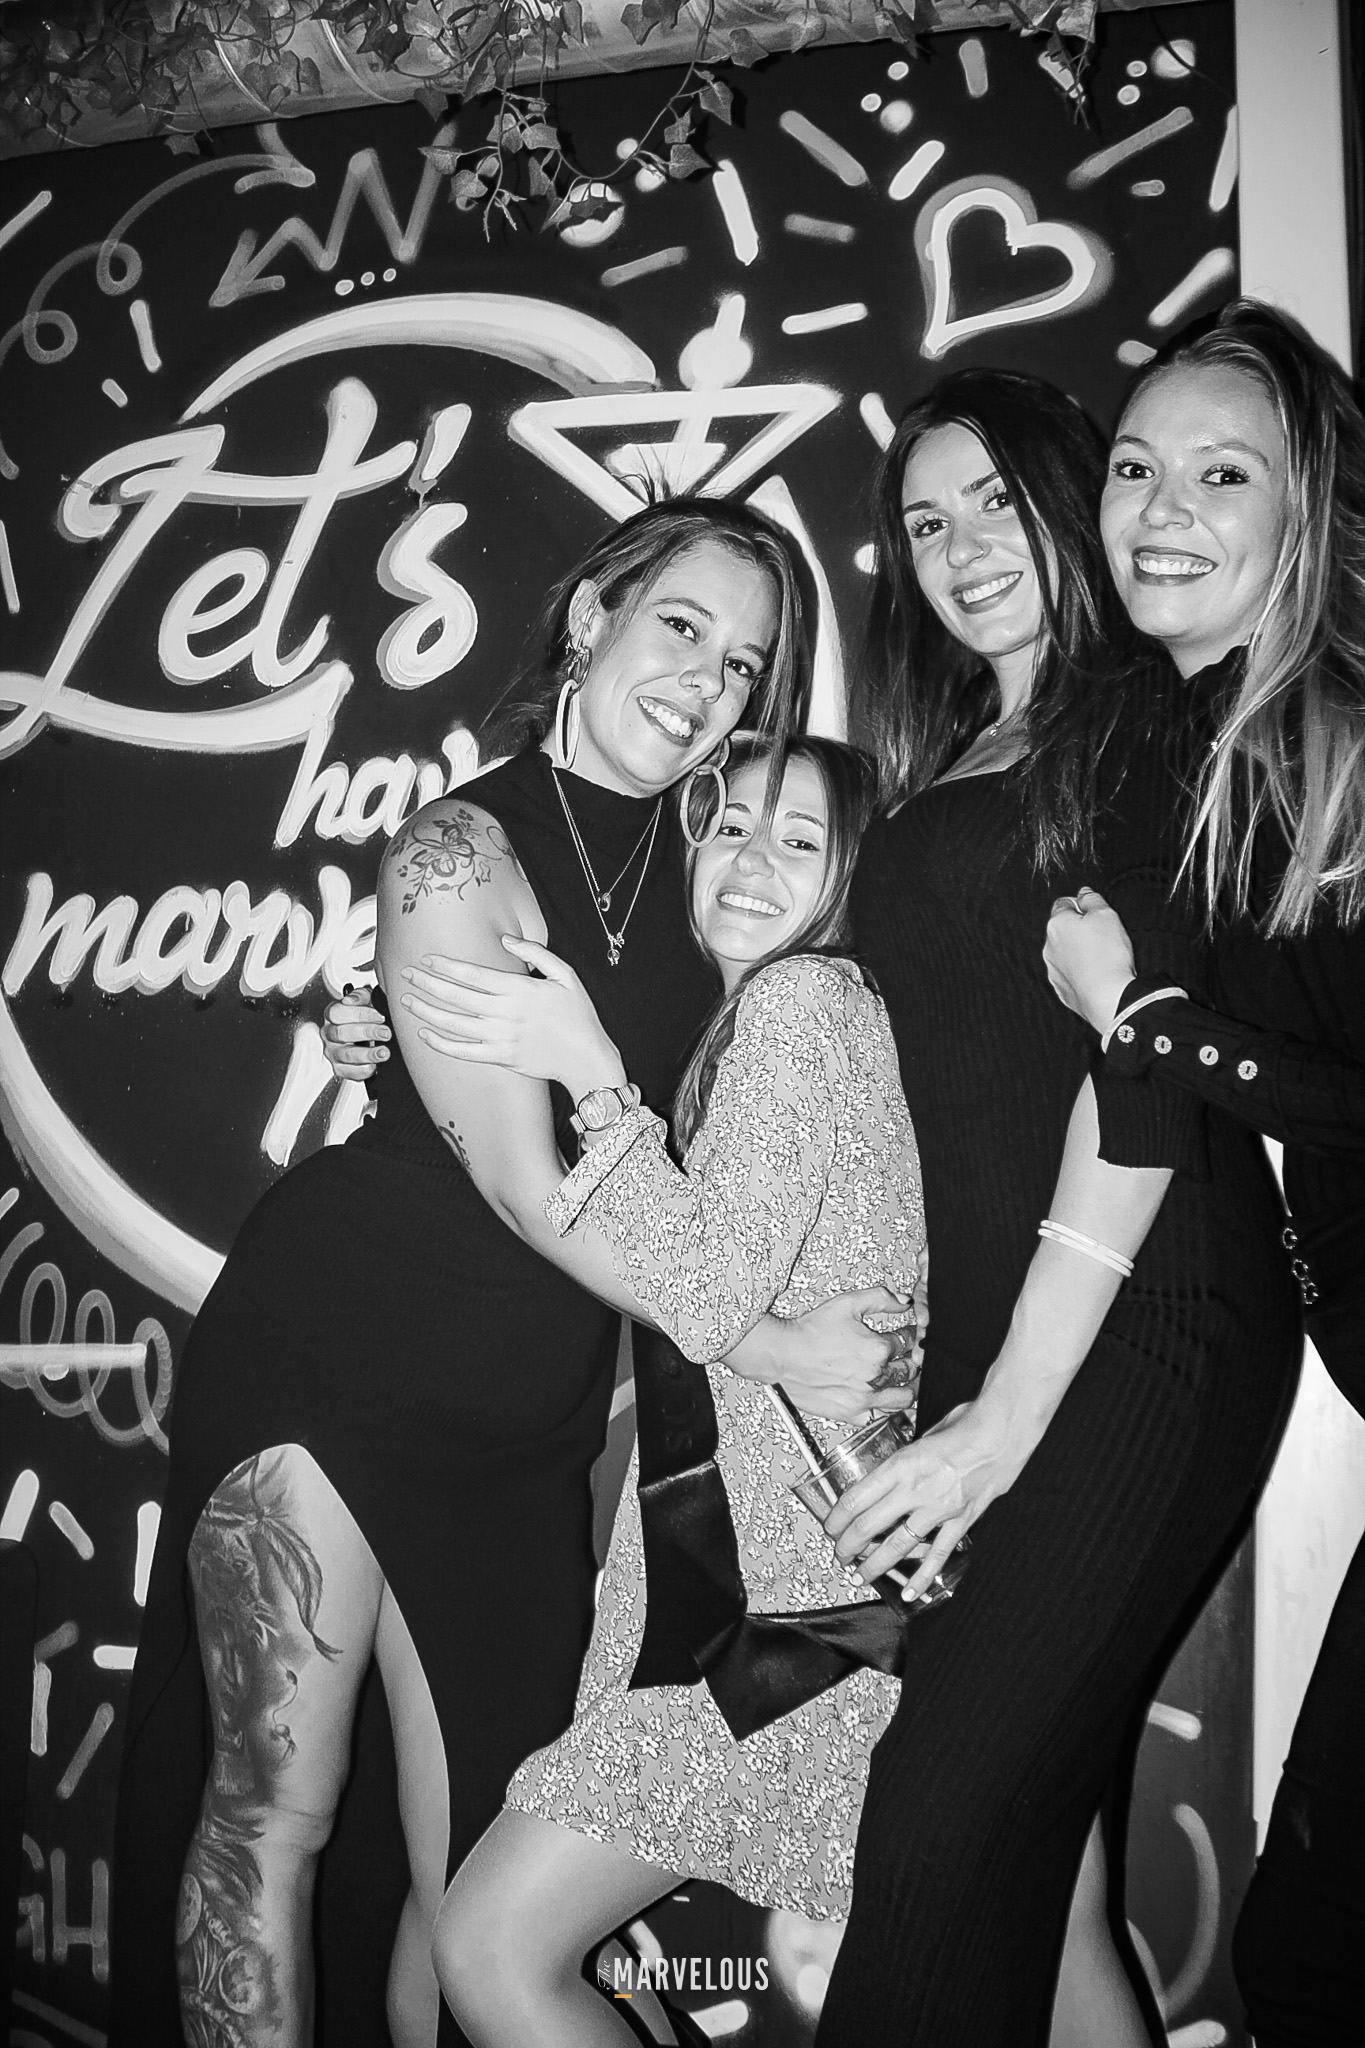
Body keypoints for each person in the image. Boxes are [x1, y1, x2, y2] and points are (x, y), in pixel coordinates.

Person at [109, 499, 908, 2048]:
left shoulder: (717, 861)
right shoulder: (456, 848)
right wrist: (769, 1340)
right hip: (340, 1355)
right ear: (589, 618)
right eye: (680, 626)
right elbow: (521, 1180)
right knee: (272, 1808)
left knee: (476, 1865)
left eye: (745, 665)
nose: (707, 682)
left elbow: (729, 1121)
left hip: (530, 1424)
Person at [802, 367, 1299, 2048]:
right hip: (1013, 1344)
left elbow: (1136, 1088)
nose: (960, 548)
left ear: (1073, 503)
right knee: (1036, 1881)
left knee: (929, 1865)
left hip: (1137, 1332)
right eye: (924, 522)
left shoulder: (1144, 719)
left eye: (996, 503)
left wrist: (1002, 1422)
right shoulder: (957, 749)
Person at [377, 732, 922, 2044]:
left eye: (799, 839)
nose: (748, 859)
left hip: (797, 1629)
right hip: (799, 1606)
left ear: (851, 874)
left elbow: (708, 1290)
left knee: (491, 1947)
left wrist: (590, 1072)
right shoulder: (775, 1021)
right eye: (728, 826)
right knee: (1034, 1955)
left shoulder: (800, 1010)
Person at [1044, 300, 1365, 2048]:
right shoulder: (1212, 744)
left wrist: (1150, 1023)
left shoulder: (1331, 741)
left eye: (1220, 475)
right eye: (1133, 468)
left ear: (1303, 511)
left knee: (1312, 1959)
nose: (1159, 509)